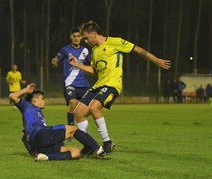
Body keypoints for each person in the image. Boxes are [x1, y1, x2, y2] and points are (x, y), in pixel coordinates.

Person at [69, 21, 171, 153]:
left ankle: (107, 142)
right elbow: (95, 71)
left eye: (86, 38)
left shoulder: (115, 42)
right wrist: (78, 65)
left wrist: (156, 60)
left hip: (112, 84)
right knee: (78, 113)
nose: (86, 41)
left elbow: (138, 50)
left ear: (94, 34)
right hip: (98, 85)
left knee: (94, 107)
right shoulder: (94, 50)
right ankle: (88, 146)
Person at [9, 83, 106, 161]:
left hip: (40, 145)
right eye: (42, 99)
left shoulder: (37, 112)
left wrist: (33, 151)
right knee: (72, 130)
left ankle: (45, 157)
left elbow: (25, 137)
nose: (45, 101)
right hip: (42, 133)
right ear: (34, 101)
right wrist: (26, 90)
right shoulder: (27, 106)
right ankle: (97, 149)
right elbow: (13, 96)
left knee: (76, 153)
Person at [51, 27, 91, 126]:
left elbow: (91, 65)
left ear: (81, 37)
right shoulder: (65, 50)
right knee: (73, 103)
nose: (76, 38)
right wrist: (54, 62)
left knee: (90, 107)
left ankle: (82, 125)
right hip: (70, 83)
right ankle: (70, 128)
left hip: (83, 83)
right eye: (74, 36)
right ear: (71, 37)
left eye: (78, 36)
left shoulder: (85, 51)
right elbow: (56, 60)